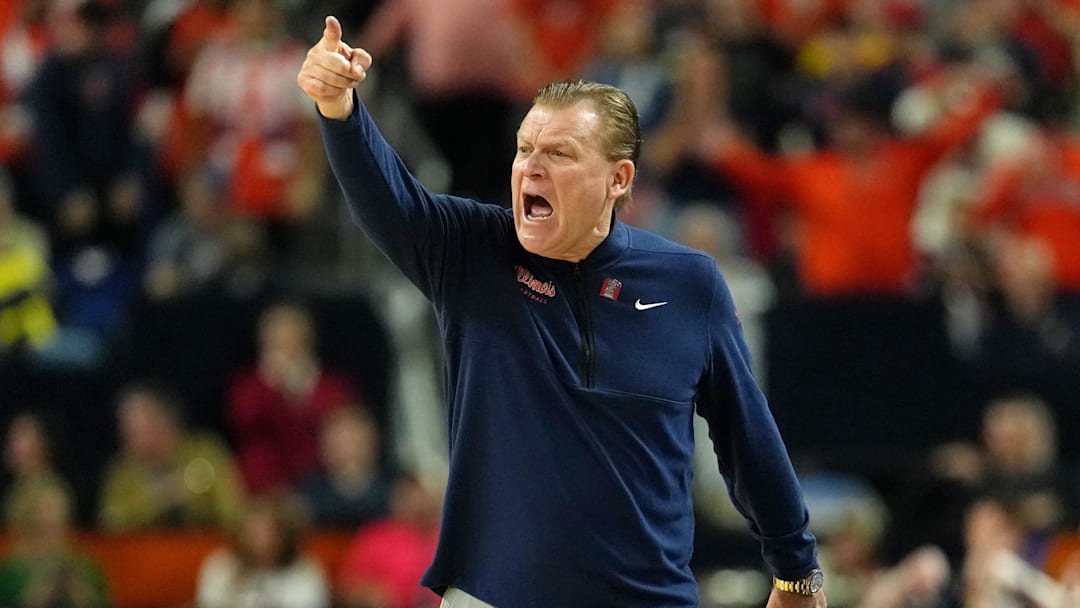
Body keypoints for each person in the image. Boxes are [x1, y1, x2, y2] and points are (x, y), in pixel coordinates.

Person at [298, 16, 825, 608]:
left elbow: (747, 437)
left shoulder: (689, 282)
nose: (531, 166)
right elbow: (386, 197)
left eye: (559, 153)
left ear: (617, 179)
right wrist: (339, 108)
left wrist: (796, 572)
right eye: (525, 149)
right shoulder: (473, 253)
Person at [98, 380, 245, 532]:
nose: (132, 438)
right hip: (146, 552)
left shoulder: (206, 453)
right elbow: (110, 523)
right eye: (127, 430)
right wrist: (161, 498)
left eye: (143, 428)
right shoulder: (122, 473)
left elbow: (233, 513)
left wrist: (195, 499)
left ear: (167, 421)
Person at [195, 492, 330, 608]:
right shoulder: (221, 567)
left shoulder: (306, 572)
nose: (260, 540)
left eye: (268, 532)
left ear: (284, 535)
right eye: (253, 532)